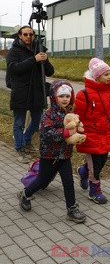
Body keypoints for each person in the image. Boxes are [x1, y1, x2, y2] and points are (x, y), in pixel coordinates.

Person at [17, 80, 87, 223]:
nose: (65, 99)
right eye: (62, 96)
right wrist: (66, 133)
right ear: (54, 97)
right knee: (42, 181)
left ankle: (72, 209)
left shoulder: (69, 113)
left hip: (65, 155)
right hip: (49, 155)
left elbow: (75, 127)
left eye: (68, 96)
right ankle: (25, 193)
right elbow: (47, 133)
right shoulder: (48, 115)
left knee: (68, 182)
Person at [6, 25, 54, 163]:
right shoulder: (14, 51)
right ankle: (20, 149)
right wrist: (34, 60)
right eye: (25, 34)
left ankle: (27, 141)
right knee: (19, 122)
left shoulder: (38, 50)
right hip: (20, 91)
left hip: (36, 92)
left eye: (31, 34)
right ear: (20, 36)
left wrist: (44, 60)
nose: (28, 37)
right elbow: (15, 68)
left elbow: (50, 72)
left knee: (37, 119)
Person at [75, 58, 110, 204]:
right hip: (90, 134)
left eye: (109, 74)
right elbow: (77, 116)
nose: (109, 77)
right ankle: (94, 190)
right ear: (96, 76)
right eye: (105, 74)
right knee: (95, 164)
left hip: (105, 133)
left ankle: (83, 171)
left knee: (102, 160)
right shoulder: (83, 94)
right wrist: (77, 131)